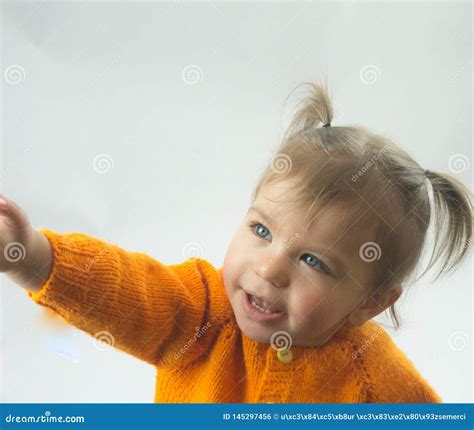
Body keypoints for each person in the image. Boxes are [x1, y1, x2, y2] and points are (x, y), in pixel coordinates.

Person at [1, 78, 472, 403]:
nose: (269, 269)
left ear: (370, 303)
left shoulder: (375, 381)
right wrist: (33, 258)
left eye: (313, 260)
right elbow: (125, 289)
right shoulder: (200, 315)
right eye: (261, 230)